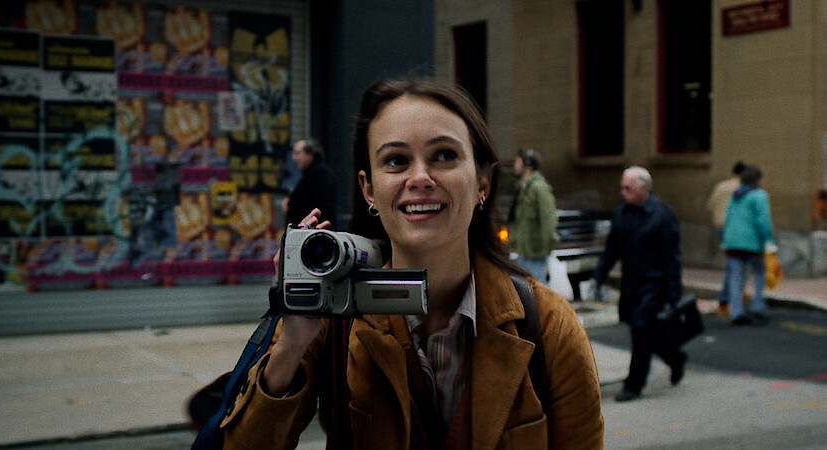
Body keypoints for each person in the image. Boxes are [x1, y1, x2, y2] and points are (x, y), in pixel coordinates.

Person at [218, 79, 604, 448]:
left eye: (444, 156)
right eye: (397, 160)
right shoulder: (334, 321)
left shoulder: (550, 327)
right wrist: (290, 344)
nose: (420, 177)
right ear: (369, 189)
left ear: (483, 184)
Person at [591, 166, 686, 402]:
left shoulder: (662, 215)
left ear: (644, 188)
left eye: (628, 188)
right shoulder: (621, 213)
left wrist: (674, 291)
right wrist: (599, 275)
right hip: (631, 283)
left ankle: (634, 384)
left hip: (655, 283)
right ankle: (674, 357)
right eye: (622, 187)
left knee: (641, 329)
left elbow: (672, 256)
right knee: (645, 331)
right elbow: (612, 248)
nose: (623, 192)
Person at [721, 165, 776, 326]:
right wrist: (768, 241)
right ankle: (757, 303)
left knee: (736, 276)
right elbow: (762, 221)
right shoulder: (759, 196)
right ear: (757, 180)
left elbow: (727, 217)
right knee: (760, 271)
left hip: (732, 242)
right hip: (751, 242)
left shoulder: (735, 195)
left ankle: (736, 311)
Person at [508, 148, 559, 284]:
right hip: (523, 252)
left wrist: (545, 246)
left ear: (527, 164)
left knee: (537, 293)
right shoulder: (523, 187)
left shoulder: (538, 187)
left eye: (518, 161)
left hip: (535, 254)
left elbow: (548, 219)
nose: (515, 164)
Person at [707, 160, 747, 316]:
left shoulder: (721, 186)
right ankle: (725, 298)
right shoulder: (741, 188)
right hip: (734, 230)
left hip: (719, 228)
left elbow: (710, 205)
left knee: (733, 265)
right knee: (735, 265)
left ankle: (731, 296)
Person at [283, 138, 337, 226]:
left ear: (310, 154)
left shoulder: (320, 174)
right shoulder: (312, 174)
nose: (294, 158)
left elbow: (316, 206)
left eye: (297, 153)